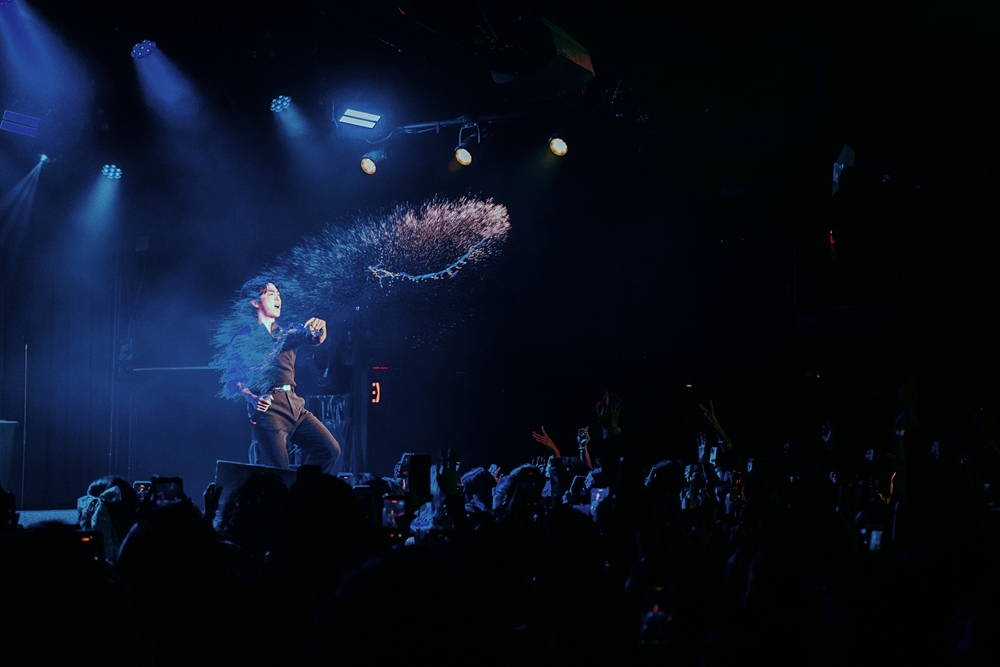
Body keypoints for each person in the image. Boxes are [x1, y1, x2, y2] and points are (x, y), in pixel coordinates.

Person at [227, 277, 341, 473]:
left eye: (278, 294)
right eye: (271, 294)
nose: (277, 298)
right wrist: (252, 398)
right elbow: (233, 379)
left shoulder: (288, 330)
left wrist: (320, 329)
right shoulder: (244, 337)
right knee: (279, 471)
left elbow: (315, 338)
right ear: (254, 302)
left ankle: (303, 487)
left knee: (330, 450)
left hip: (295, 404)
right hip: (269, 409)